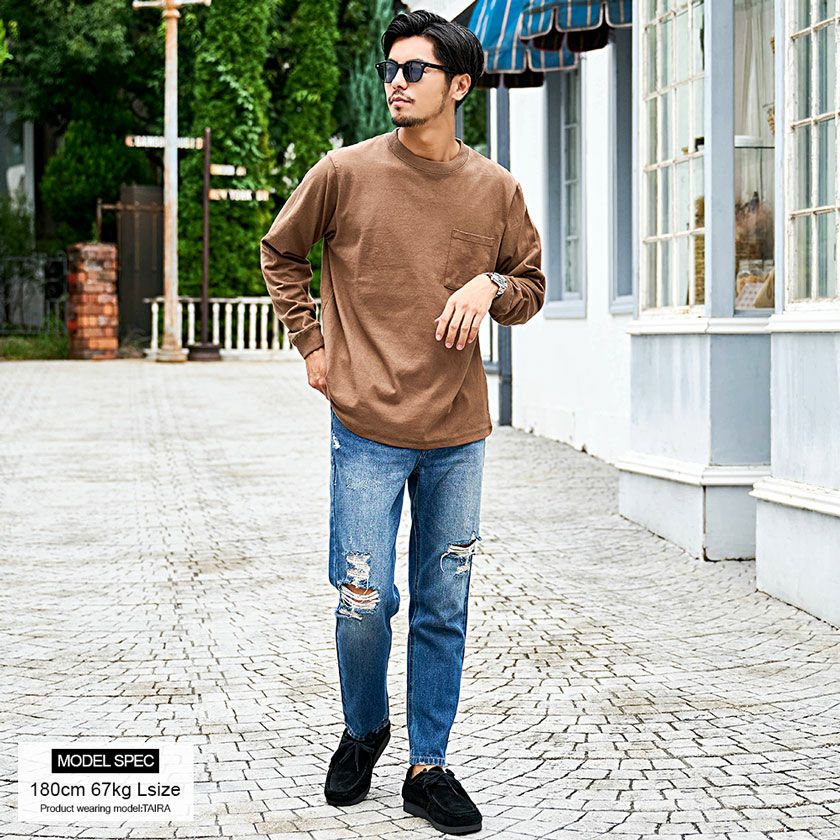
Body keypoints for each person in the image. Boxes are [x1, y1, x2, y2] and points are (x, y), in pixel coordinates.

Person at [260, 9, 545, 835]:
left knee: (441, 602)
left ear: (459, 86)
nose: (396, 81)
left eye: (414, 70)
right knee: (363, 597)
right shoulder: (344, 172)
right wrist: (313, 344)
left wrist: (491, 284)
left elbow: (530, 287)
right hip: (366, 425)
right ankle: (364, 729)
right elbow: (281, 252)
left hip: (457, 432)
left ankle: (429, 766)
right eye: (391, 68)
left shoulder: (495, 189)